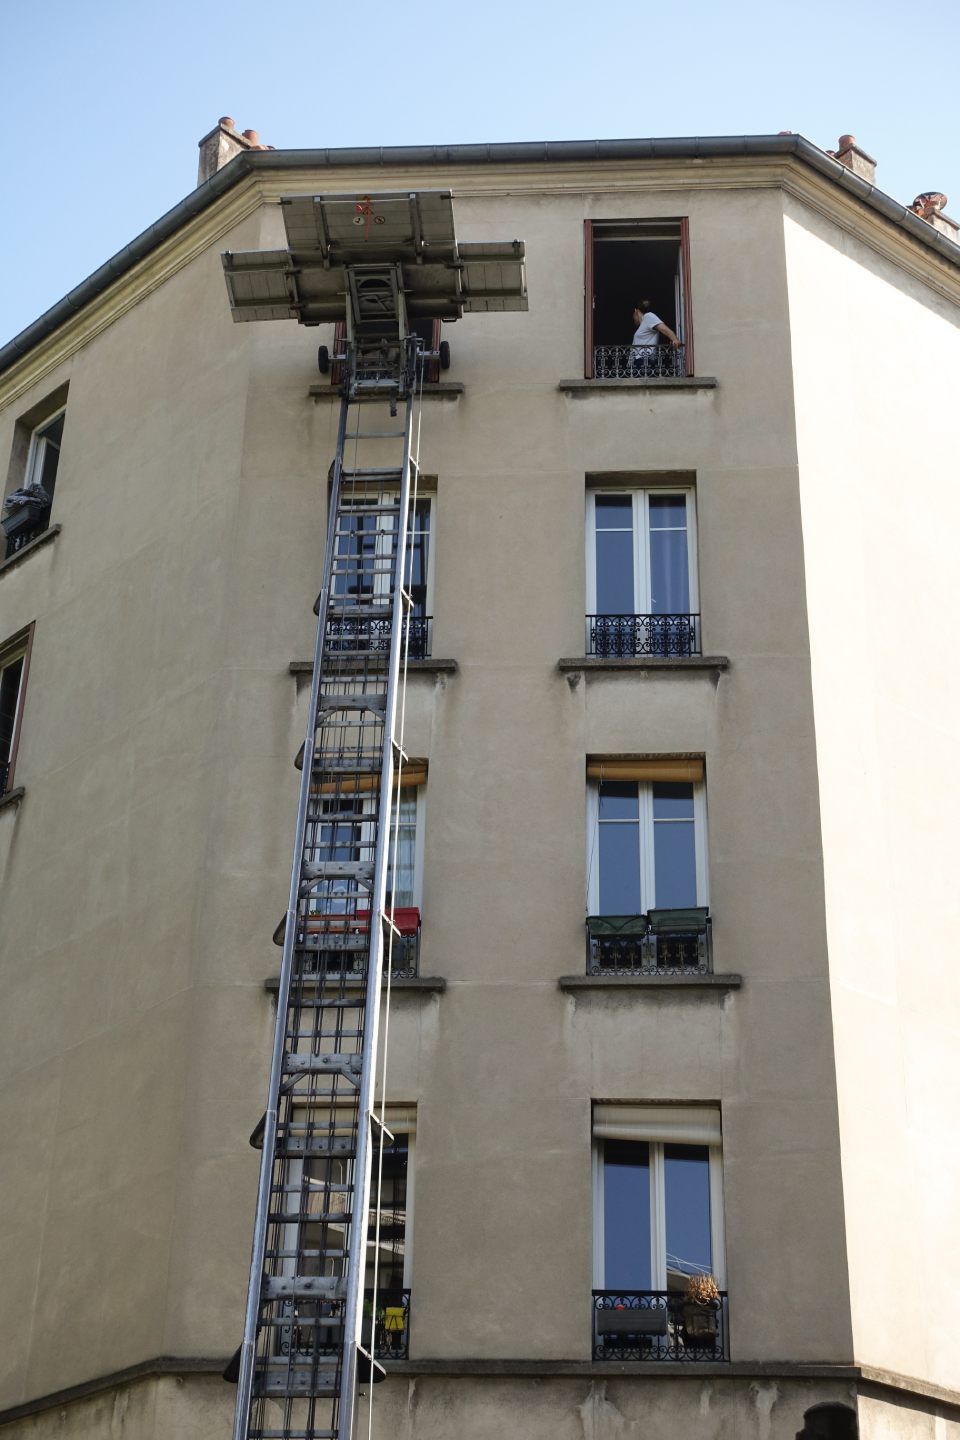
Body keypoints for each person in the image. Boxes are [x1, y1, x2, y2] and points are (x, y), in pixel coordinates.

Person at [630, 300, 681, 373]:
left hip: (644, 361)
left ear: (636, 311)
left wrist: (674, 339)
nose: (633, 319)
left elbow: (664, 329)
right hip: (638, 362)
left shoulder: (648, 316)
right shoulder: (643, 324)